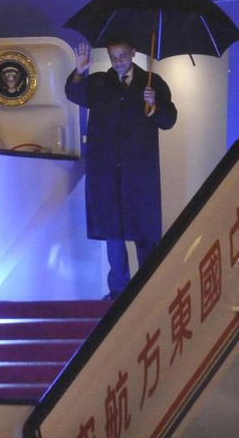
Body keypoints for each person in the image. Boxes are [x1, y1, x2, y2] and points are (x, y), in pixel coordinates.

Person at [65, 36, 177, 299]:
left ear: (134, 53)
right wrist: (80, 71)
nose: (118, 63)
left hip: (139, 171)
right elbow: (76, 95)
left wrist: (155, 104)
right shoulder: (100, 82)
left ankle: (149, 288)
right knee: (112, 232)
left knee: (144, 231)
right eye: (114, 57)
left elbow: (169, 119)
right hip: (106, 170)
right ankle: (119, 289)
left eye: (123, 57)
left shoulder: (152, 82)